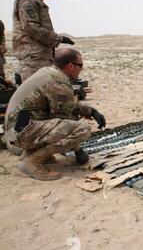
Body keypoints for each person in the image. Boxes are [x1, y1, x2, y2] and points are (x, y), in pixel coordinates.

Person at [3, 48, 106, 181]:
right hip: (20, 136)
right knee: (83, 129)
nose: (81, 69)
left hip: (15, 131)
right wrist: (78, 150)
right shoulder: (59, 82)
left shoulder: (48, 72)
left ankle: (30, 153)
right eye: (80, 65)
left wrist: (90, 111)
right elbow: (64, 120)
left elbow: (64, 106)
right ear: (70, 65)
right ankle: (33, 161)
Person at [12, 0, 74, 82]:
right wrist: (58, 38)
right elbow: (31, 27)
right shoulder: (27, 2)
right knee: (33, 93)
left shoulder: (39, 4)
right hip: (33, 59)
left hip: (41, 58)